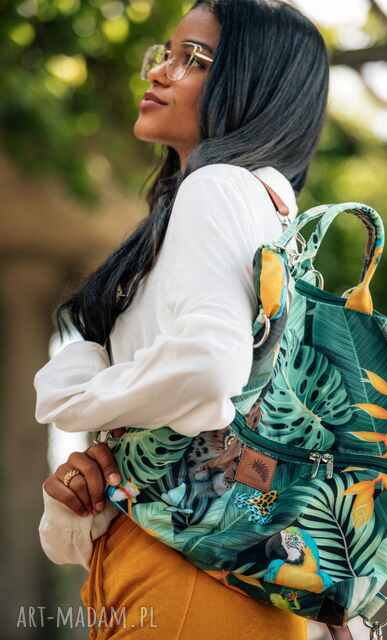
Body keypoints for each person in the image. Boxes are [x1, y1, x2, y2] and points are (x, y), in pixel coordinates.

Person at [34, 0, 330, 638]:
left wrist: (81, 398)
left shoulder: (216, 188)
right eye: (166, 54)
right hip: (206, 572)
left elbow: (207, 368)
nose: (160, 72)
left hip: (188, 580)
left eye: (194, 59)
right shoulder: (268, 213)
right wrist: (103, 460)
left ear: (253, 85)